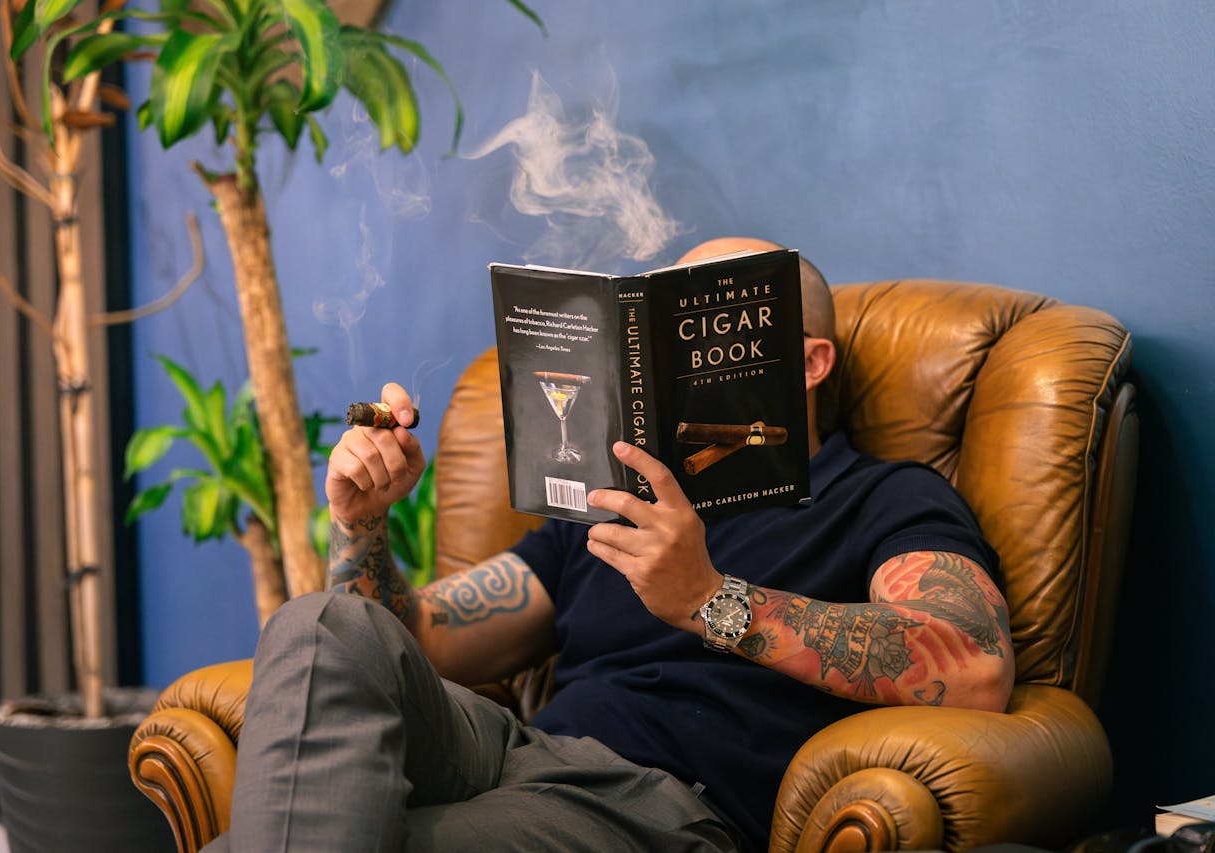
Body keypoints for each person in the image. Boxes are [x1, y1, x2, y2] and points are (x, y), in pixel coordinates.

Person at [210, 237, 1014, 853]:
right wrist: (361, 521)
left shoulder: (881, 495)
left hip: (656, 803)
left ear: (809, 361)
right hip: (517, 750)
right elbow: (415, 639)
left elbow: (973, 664)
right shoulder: (615, 505)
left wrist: (710, 600)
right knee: (321, 623)